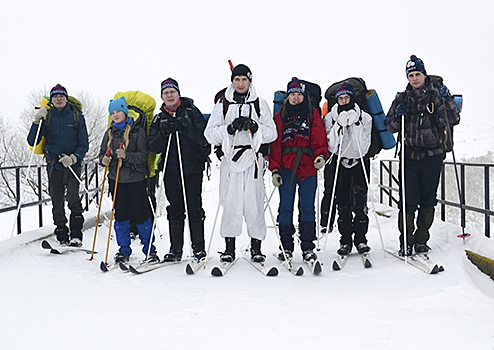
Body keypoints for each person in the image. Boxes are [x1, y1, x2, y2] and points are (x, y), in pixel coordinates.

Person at [204, 64, 277, 263]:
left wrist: (255, 127)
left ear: (250, 80)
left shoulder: (260, 104)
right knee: (230, 203)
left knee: (254, 203)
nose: (240, 83)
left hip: (254, 160)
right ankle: (229, 247)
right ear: (232, 81)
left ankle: (256, 247)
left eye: (244, 79)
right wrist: (228, 129)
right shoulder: (222, 104)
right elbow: (209, 133)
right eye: (237, 79)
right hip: (230, 159)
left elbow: (272, 133)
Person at [384, 55, 452, 256]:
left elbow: (453, 119)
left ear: (424, 74)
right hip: (409, 155)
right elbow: (390, 126)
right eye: (411, 75)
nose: (414, 79)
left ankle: (422, 240)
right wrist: (398, 115)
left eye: (417, 74)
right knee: (407, 200)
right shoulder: (401, 98)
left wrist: (447, 100)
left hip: (433, 155)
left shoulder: (436, 96)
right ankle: (406, 241)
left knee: (428, 199)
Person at [147, 78, 209, 262]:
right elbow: (152, 146)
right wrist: (164, 134)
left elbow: (204, 140)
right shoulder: (159, 118)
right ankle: (176, 249)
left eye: (172, 92)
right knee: (175, 208)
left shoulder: (191, 112)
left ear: (178, 93)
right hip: (170, 170)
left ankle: (198, 248)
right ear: (162, 97)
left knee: (194, 208)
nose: (169, 95)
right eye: (166, 93)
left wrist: (185, 128)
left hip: (192, 168)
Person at [268, 77, 328, 262]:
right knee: (285, 208)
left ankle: (308, 246)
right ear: (287, 97)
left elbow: (319, 137)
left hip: (309, 166)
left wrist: (321, 155)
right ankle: (286, 247)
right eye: (292, 94)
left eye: (298, 94)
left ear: (304, 96)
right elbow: (275, 145)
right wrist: (275, 169)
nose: (295, 98)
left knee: (307, 207)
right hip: (286, 167)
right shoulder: (280, 116)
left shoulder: (312, 114)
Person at [27, 84, 89, 247]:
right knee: (57, 199)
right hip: (54, 163)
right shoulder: (47, 116)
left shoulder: (76, 116)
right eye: (55, 97)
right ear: (51, 100)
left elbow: (84, 142)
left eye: (61, 96)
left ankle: (76, 235)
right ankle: (61, 233)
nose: (59, 99)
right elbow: (32, 141)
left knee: (73, 197)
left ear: (66, 99)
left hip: (72, 163)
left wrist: (74, 158)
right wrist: (36, 121)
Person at [99, 96, 158, 263]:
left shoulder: (137, 131)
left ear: (125, 112)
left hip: (136, 179)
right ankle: (123, 250)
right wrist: (103, 160)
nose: (116, 115)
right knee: (121, 215)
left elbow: (143, 155)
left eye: (118, 111)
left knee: (141, 214)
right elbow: (101, 153)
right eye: (113, 112)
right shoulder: (109, 132)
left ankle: (150, 250)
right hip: (115, 179)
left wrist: (126, 156)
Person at [325, 82, 373, 256]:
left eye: (347, 97)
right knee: (342, 203)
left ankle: (361, 239)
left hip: (359, 161)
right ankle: (345, 240)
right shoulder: (330, 118)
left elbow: (364, 146)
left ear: (352, 98)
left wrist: (355, 124)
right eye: (340, 98)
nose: (344, 101)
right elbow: (330, 145)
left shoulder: (365, 118)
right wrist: (340, 125)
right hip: (340, 162)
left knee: (360, 203)